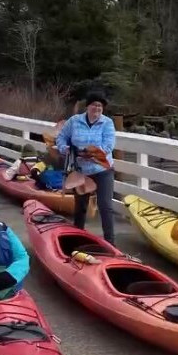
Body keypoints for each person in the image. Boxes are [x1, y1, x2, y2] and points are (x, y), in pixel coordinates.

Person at [55, 90, 116, 243]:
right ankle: (77, 239)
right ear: (88, 107)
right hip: (81, 170)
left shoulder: (107, 123)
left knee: (105, 206)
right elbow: (61, 137)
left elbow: (108, 145)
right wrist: (65, 148)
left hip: (102, 169)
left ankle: (111, 242)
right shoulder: (74, 121)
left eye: (100, 106)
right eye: (94, 105)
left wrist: (92, 153)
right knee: (81, 206)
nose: (97, 109)